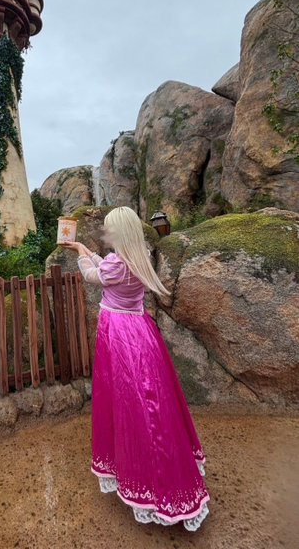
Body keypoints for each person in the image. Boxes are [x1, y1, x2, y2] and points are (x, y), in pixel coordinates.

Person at [62, 206, 210, 531]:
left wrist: (81, 256)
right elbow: (106, 267)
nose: (106, 234)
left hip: (119, 335)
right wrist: (85, 249)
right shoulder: (137, 257)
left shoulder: (118, 263)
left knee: (131, 403)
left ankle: (148, 476)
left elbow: (94, 276)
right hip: (141, 330)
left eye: (109, 229)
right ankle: (165, 467)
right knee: (153, 400)